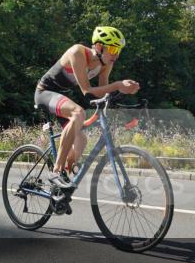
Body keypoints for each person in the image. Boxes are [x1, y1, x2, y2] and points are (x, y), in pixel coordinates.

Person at [34, 26, 139, 187]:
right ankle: (55, 171)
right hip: (44, 92)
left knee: (81, 139)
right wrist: (118, 85)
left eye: (119, 50)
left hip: (61, 97)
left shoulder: (106, 63)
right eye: (112, 49)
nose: (116, 55)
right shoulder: (78, 53)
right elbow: (87, 91)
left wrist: (123, 92)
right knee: (78, 113)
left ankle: (62, 185)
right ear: (98, 46)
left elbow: (102, 93)